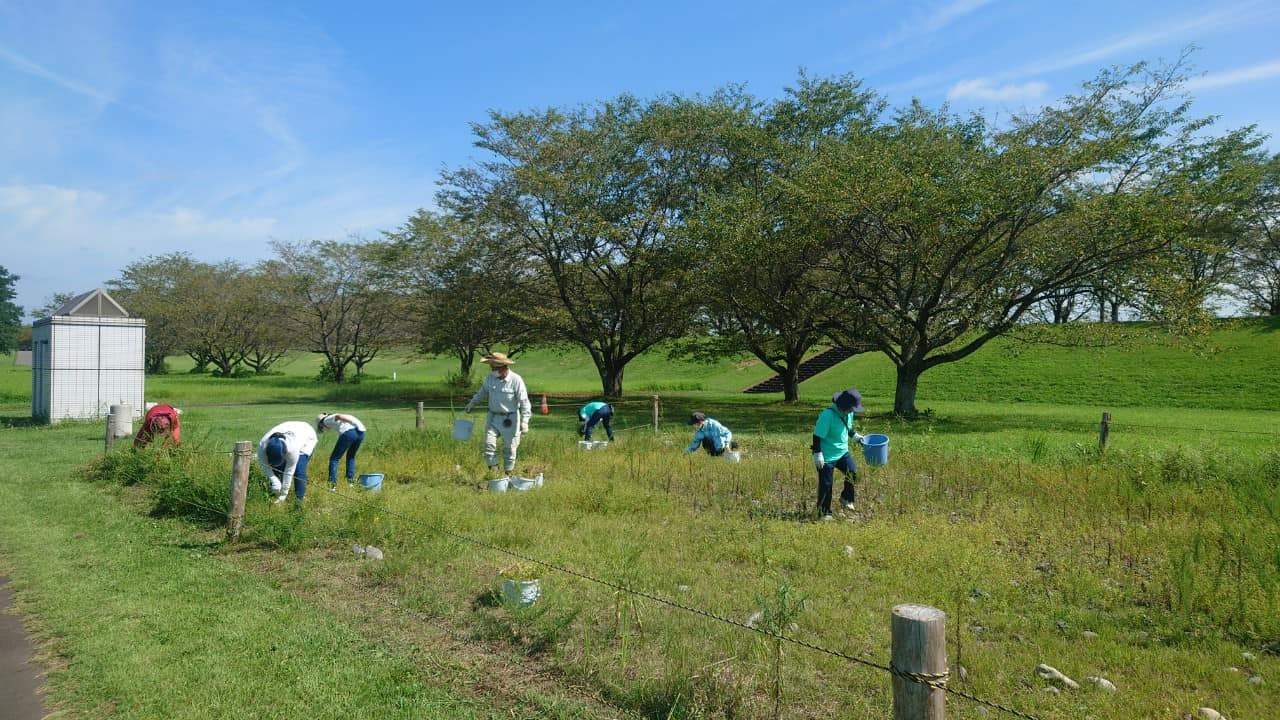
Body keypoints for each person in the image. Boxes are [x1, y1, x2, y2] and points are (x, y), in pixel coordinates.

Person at [463, 352, 532, 477]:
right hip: (493, 417)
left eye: (495, 368)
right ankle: (494, 473)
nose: (492, 370)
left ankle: (508, 474)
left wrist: (525, 420)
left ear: (504, 367)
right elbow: (482, 392)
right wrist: (472, 404)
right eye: (492, 367)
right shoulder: (490, 377)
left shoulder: (516, 380)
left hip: (511, 418)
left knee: (510, 448)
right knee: (488, 445)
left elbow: (524, 401)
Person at [812, 389, 865, 521]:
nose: (852, 412)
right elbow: (817, 435)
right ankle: (824, 513)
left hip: (842, 452)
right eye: (851, 409)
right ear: (843, 406)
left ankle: (846, 498)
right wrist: (818, 453)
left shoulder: (849, 414)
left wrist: (856, 437)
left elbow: (847, 428)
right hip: (826, 456)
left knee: (853, 473)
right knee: (826, 484)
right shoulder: (827, 415)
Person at [257, 420, 318, 505]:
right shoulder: (262, 446)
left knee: (298, 470)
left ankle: (298, 502)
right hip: (291, 427)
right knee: (276, 468)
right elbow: (264, 465)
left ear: (285, 452)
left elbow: (289, 472)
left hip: (307, 436)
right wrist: (274, 480)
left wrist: (284, 494)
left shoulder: (293, 449)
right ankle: (274, 493)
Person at [316, 412, 366, 490]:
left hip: (350, 432)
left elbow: (338, 416)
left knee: (334, 459)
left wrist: (353, 423)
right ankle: (351, 482)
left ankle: (332, 485)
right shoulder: (334, 421)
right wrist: (356, 424)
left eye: (320, 426)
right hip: (361, 432)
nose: (322, 428)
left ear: (321, 423)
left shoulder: (325, 420)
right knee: (351, 457)